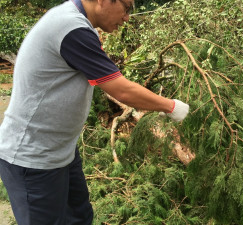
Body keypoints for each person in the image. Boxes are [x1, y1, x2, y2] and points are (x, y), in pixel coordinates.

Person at [0, 0, 189, 224]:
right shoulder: (71, 28)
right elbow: (122, 90)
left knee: (80, 218)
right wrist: (171, 106)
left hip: (62, 152)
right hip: (33, 158)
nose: (127, 17)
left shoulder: (76, 22)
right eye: (126, 8)